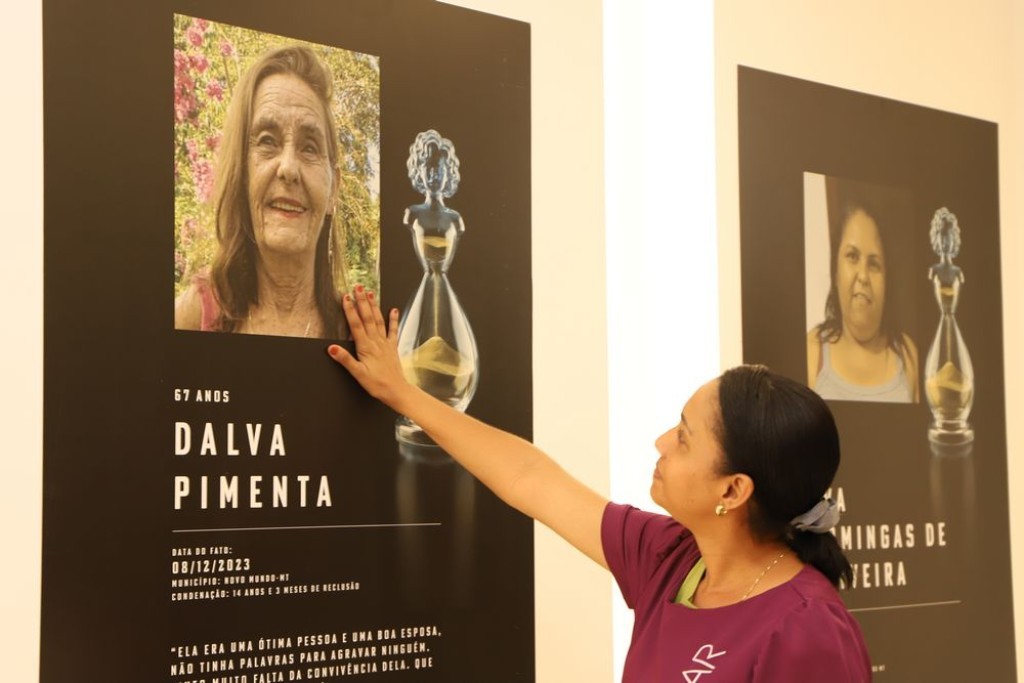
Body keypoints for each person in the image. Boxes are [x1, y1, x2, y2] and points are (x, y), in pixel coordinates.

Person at [327, 288, 871, 682]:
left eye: (683, 438)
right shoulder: (672, 560)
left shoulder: (808, 631)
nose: (660, 442)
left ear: (733, 491)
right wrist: (404, 395)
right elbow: (529, 478)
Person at [175, 46, 348, 338]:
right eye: (268, 141)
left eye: (309, 147)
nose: (289, 168)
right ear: (241, 174)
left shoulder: (359, 332)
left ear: (334, 190)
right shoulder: (193, 315)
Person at [807, 184, 919, 402]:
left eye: (874, 264)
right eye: (852, 256)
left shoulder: (910, 358)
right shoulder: (812, 351)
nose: (863, 276)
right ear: (836, 272)